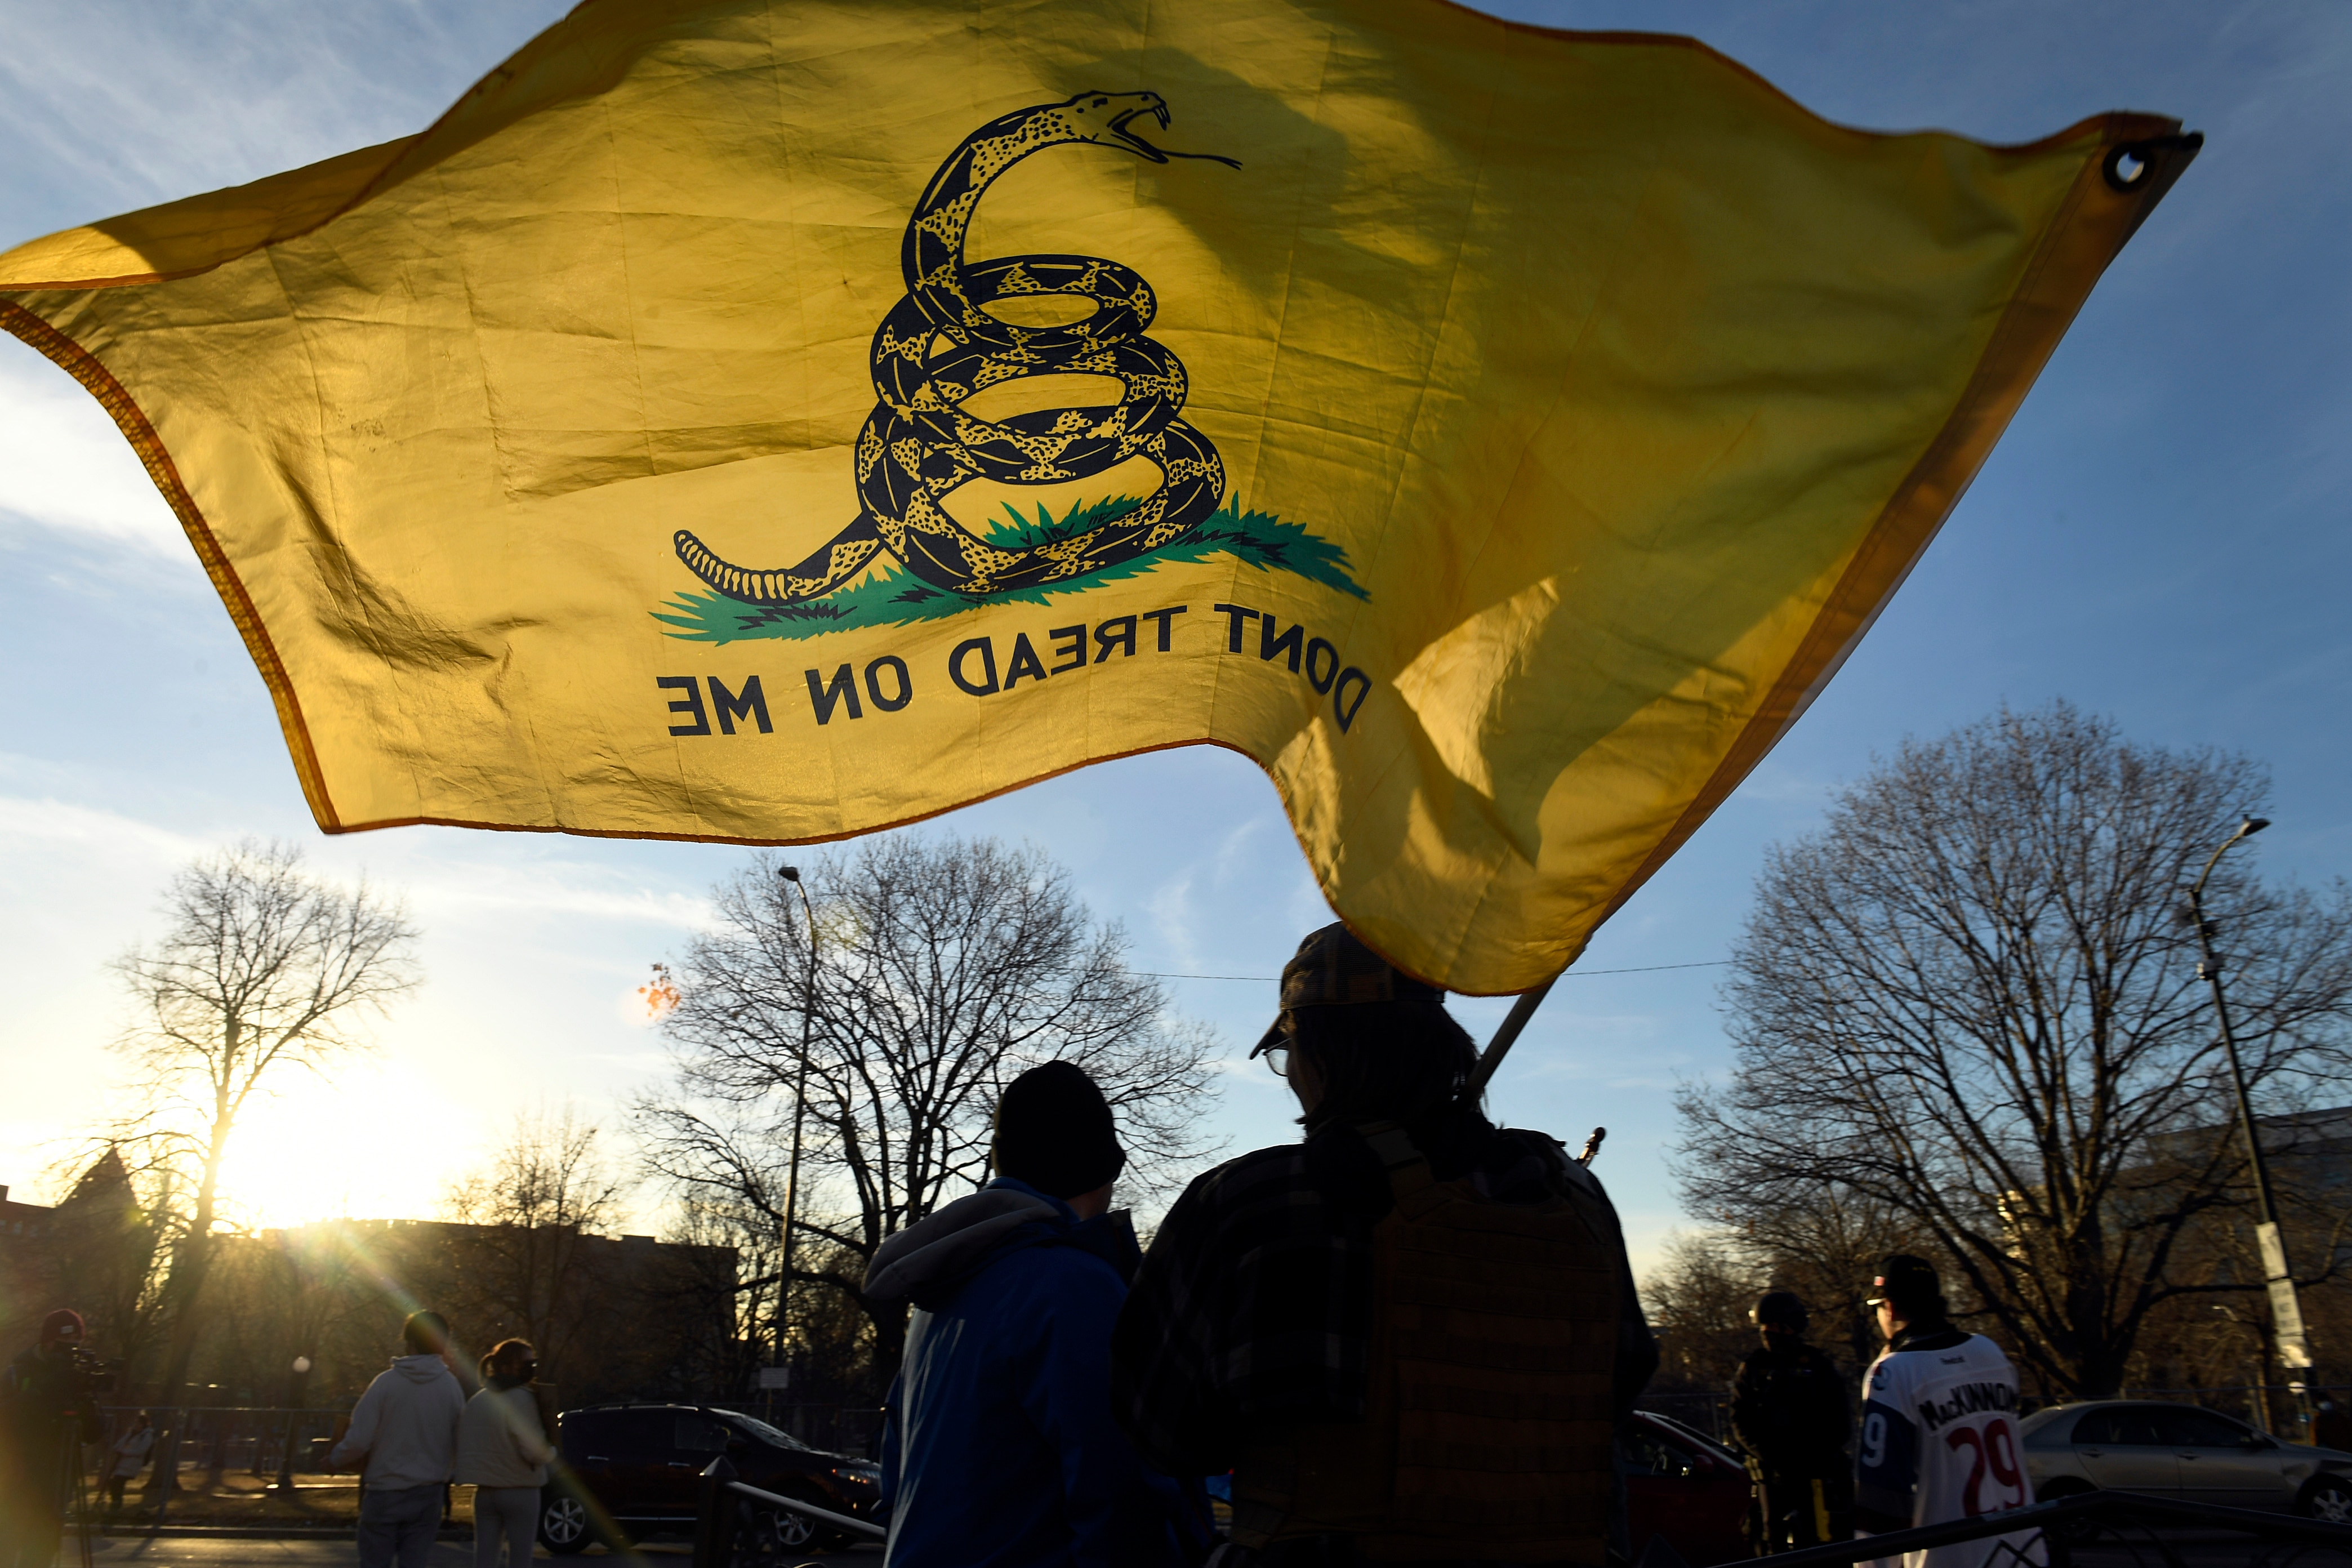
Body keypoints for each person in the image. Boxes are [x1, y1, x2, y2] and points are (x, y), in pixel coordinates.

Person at [1112, 923, 1658, 1568]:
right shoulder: (1574, 1198)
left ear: (1318, 1056)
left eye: (1288, 1053)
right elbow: (1620, 1386)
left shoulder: (1250, 1204)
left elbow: (1161, 1431)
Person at [866, 1060, 1203, 1567]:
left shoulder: (941, 1295)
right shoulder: (1070, 1284)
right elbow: (1120, 1491)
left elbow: (895, 1474)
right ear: (1103, 1166)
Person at [1854, 1257, 2036, 1568]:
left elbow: (1882, 1497)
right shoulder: (1988, 1351)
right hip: (2025, 1548)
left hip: (1954, 1555)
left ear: (1892, 1308)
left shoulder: (1893, 1373)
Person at [331, 1311, 467, 1568]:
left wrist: (335, 1459)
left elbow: (359, 1440)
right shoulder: (451, 1388)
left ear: (410, 1343)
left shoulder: (385, 1384)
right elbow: (461, 1440)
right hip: (429, 1492)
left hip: (384, 1490)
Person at [1731, 1292, 1852, 1552]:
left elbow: (1840, 1420)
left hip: (1816, 1474)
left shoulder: (1818, 1366)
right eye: (1764, 1328)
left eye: (1773, 1327)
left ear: (1791, 1327)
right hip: (1773, 1476)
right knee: (1773, 1540)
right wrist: (1769, 1455)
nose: (1767, 1333)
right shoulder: (1753, 1369)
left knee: (1823, 1540)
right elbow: (1740, 1419)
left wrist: (1813, 1456)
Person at [0, 1309, 103, 1568]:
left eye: (75, 1346)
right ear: (47, 1341)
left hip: (55, 1483)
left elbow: (93, 1434)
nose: (69, 1353)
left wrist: (88, 1403)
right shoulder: (19, 1371)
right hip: (16, 1482)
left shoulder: (77, 1376)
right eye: (63, 1346)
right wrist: (47, 1389)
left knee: (39, 1556)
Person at [456, 1340, 553, 1568]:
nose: (532, 1368)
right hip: (521, 1489)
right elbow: (534, 1452)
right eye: (528, 1363)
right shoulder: (523, 1398)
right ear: (509, 1366)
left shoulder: (477, 1400)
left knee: (485, 1559)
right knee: (521, 1559)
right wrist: (552, 1452)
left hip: (485, 1491)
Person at [105, 1410, 155, 1518]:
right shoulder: (131, 1434)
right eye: (135, 1423)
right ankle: (116, 1502)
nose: (136, 1425)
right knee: (115, 1483)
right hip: (121, 1463)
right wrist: (119, 1449)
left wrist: (125, 1452)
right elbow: (118, 1445)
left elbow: (141, 1450)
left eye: (138, 1423)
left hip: (132, 1465)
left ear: (143, 1425)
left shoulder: (147, 1436)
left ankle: (117, 1504)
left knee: (117, 1482)